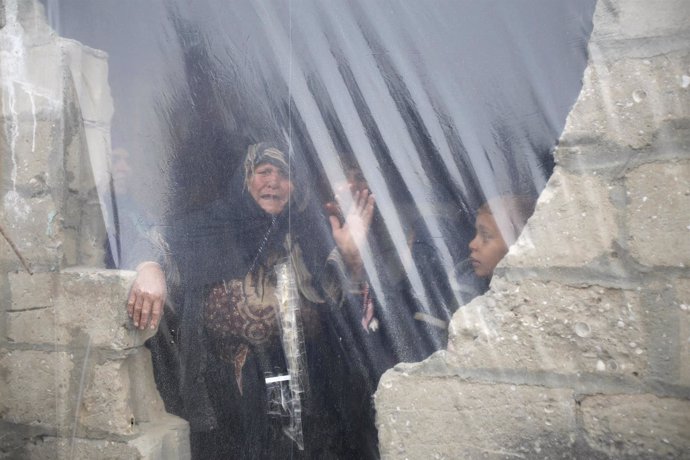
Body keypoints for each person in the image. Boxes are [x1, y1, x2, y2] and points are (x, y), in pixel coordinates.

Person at [128, 142, 376, 459]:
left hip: (292, 386)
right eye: (263, 172)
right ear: (244, 180)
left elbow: (336, 307)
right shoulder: (213, 226)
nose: (273, 181)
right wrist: (149, 266)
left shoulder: (304, 233)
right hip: (223, 389)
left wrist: (352, 259)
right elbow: (153, 240)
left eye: (284, 175)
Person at [467, 194, 536, 281]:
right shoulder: (460, 287)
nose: (472, 244)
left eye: (485, 236)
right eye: (476, 233)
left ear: (518, 244)